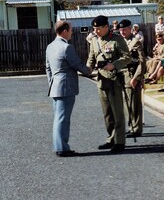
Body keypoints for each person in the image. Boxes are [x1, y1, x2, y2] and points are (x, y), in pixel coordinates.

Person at [86, 15, 132, 153]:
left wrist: (114, 65)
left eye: (98, 29)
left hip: (114, 80)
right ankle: (110, 138)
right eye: (94, 29)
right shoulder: (94, 41)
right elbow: (91, 58)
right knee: (107, 113)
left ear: (106, 27)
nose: (95, 31)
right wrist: (87, 68)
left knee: (117, 112)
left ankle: (119, 142)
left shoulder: (117, 39)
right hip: (101, 81)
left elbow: (127, 57)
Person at [46, 20, 91, 157]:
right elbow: (76, 64)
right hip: (66, 87)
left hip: (55, 86)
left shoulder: (50, 46)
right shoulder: (67, 47)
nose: (72, 32)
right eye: (70, 30)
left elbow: (48, 68)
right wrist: (89, 70)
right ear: (64, 31)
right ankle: (62, 148)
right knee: (63, 118)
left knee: (58, 118)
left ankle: (59, 146)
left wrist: (52, 84)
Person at [118, 19, 146, 137]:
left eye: (125, 29)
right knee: (126, 103)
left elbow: (142, 62)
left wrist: (137, 77)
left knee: (134, 103)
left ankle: (136, 128)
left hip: (132, 75)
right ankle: (130, 126)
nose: (122, 31)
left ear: (130, 29)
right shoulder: (119, 42)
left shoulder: (136, 42)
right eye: (120, 29)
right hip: (121, 75)